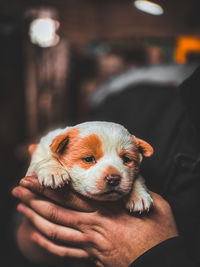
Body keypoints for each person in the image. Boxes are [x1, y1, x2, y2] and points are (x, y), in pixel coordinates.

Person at [12, 63, 200, 267]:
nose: (112, 174)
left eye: (125, 160)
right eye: (90, 159)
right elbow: (19, 222)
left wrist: (158, 257)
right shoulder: (132, 102)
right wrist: (31, 239)